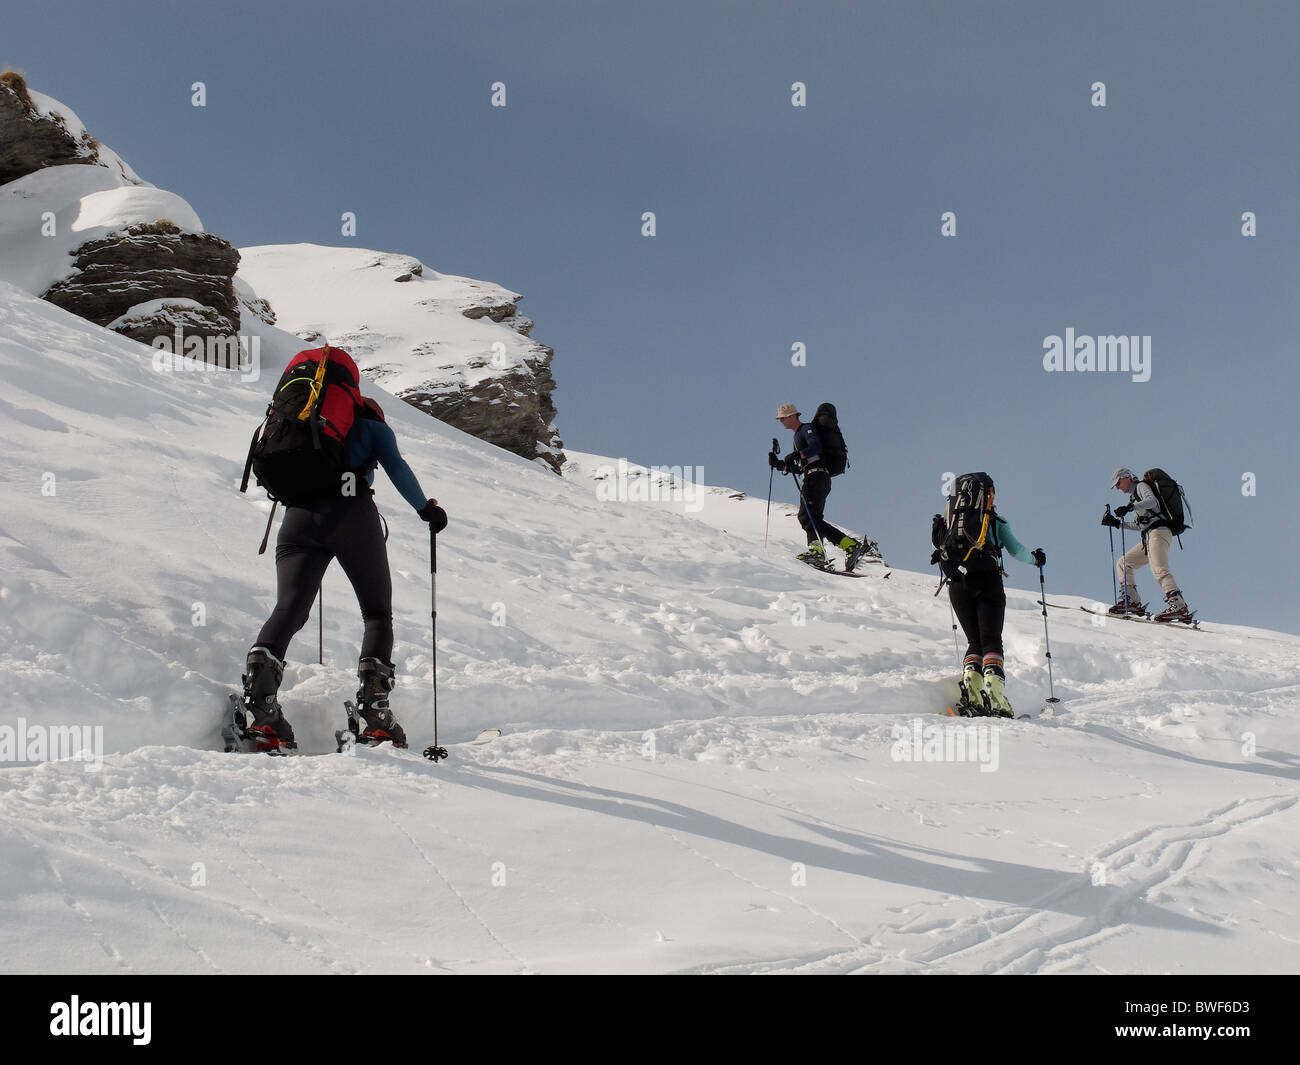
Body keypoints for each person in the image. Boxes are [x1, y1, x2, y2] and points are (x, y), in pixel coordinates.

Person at [239, 350, 445, 750]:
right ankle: (375, 713)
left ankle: (260, 702)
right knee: (376, 613)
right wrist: (427, 510)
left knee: (289, 609)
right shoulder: (366, 420)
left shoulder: (288, 416)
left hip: (298, 517)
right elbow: (397, 468)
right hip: (351, 514)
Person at [931, 473, 1045, 717]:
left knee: (974, 641)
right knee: (991, 639)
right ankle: (995, 694)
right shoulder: (996, 521)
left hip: (957, 585)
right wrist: (1036, 559)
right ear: (988, 496)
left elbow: (935, 549)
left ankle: (972, 690)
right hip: (988, 582)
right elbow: (1016, 550)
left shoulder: (949, 522)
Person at [769, 402, 878, 570]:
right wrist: (781, 465)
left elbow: (815, 447)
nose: (781, 421)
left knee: (807, 517)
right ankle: (836, 548)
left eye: (783, 418)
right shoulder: (798, 434)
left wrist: (797, 454)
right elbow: (803, 465)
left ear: (792, 416)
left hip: (816, 477)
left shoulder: (806, 429)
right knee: (812, 518)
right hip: (816, 476)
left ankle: (829, 550)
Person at [1101, 466, 1191, 621]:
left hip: (1159, 532)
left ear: (1127, 477)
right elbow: (1142, 525)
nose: (1117, 488)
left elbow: (1152, 502)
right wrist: (1117, 524)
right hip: (1149, 536)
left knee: (1159, 569)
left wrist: (1130, 508)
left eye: (1118, 483)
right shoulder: (1134, 498)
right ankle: (1132, 601)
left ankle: (1179, 606)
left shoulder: (1141, 486)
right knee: (1123, 563)